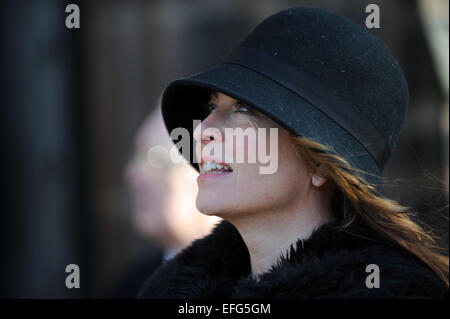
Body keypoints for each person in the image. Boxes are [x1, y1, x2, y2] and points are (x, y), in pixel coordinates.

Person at [138, 7, 448, 298]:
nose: (202, 131)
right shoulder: (171, 289)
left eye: (243, 108)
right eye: (212, 106)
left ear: (321, 166)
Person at [115, 106, 219, 297]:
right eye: (135, 156)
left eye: (154, 158)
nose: (132, 175)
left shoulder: (259, 282)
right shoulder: (131, 286)